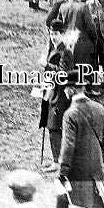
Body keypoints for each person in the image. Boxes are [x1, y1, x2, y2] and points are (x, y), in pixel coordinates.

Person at [58, 70, 104, 208]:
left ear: (73, 89)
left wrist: (62, 172)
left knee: (75, 206)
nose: (64, 90)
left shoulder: (70, 114)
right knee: (98, 206)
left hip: (78, 172)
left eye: (66, 87)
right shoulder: (99, 108)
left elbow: (68, 146)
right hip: (98, 169)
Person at [39, 20, 73, 174]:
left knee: (54, 127)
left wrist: (46, 65)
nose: (53, 37)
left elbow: (63, 73)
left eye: (56, 34)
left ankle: (58, 163)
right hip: (51, 91)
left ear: (62, 34)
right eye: (51, 34)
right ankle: (57, 160)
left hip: (60, 95)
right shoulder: (52, 47)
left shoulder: (66, 51)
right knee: (51, 126)